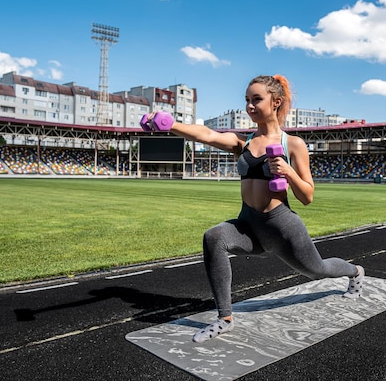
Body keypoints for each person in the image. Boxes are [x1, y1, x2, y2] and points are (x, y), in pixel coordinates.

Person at [145, 74, 364, 343]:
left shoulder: (292, 144)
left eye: (256, 99)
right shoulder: (244, 143)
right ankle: (224, 318)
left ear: (276, 102)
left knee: (316, 269)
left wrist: (288, 173)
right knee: (214, 237)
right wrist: (171, 124)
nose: (249, 106)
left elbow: (307, 196)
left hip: (281, 227)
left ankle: (355, 272)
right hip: (248, 224)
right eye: (247, 100)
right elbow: (208, 135)